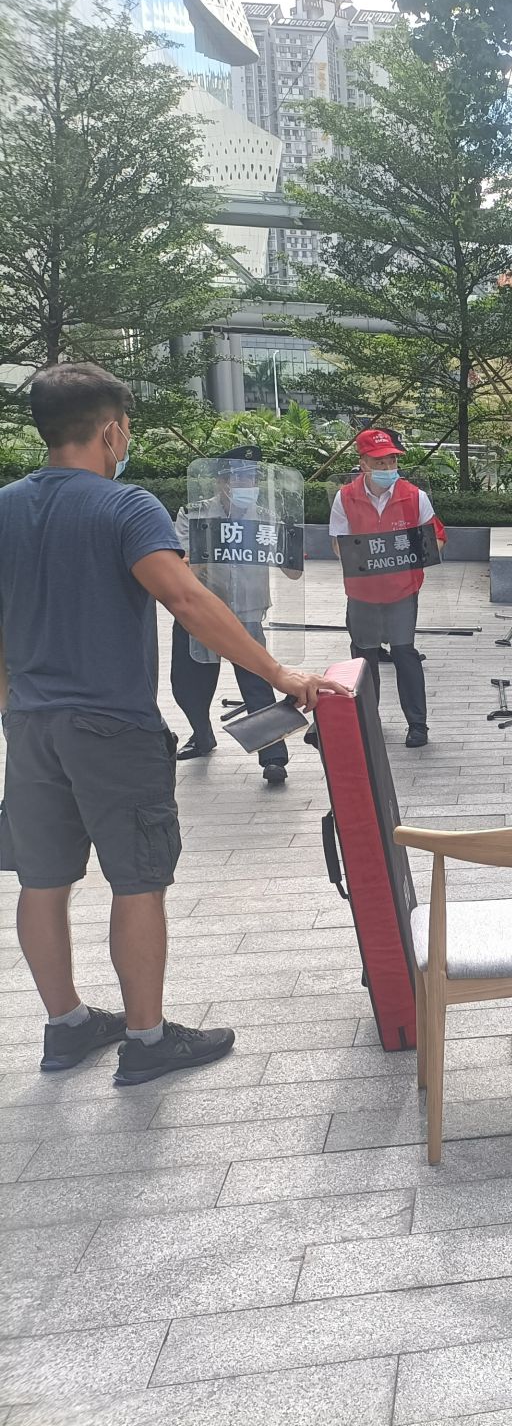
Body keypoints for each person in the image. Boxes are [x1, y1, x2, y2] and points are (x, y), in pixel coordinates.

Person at [0, 363, 342, 1083]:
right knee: (137, 879)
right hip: (112, 726)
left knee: (42, 879)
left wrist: (12, 707)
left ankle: (65, 1029)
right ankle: (147, 1040)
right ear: (110, 430)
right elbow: (185, 599)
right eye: (125, 429)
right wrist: (278, 673)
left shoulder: (6, 507)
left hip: (29, 725)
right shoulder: (127, 507)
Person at [170, 446, 300, 785]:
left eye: (252, 479)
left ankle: (273, 756)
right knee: (188, 685)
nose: (248, 486)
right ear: (221, 483)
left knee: (257, 684)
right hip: (201, 614)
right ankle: (202, 735)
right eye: (240, 479)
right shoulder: (194, 514)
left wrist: (291, 547)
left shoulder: (265, 518)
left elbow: (292, 571)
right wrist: (204, 550)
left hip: (247, 614)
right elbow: (181, 565)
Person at [330, 426, 437, 748]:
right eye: (379, 462)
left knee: (404, 653)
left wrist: (410, 559)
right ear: (363, 463)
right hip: (361, 593)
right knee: (364, 657)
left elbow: (436, 539)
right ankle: (367, 721)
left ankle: (417, 725)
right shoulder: (345, 497)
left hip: (402, 590)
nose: (388, 468)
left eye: (392, 461)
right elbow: (338, 543)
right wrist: (367, 560)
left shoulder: (414, 496)